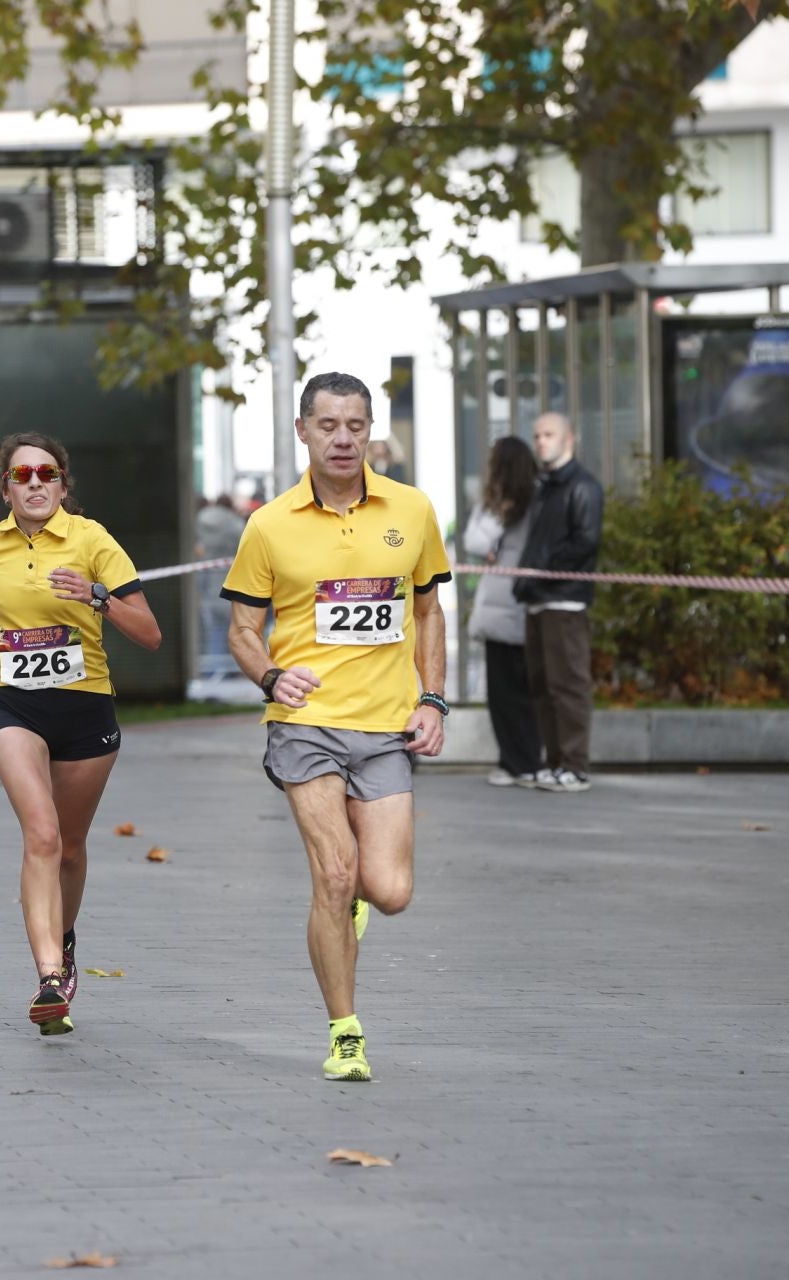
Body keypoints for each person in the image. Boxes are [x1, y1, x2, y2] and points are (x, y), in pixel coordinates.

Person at [219, 372, 451, 1083]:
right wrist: (270, 677)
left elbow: (428, 611)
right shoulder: (269, 524)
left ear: (370, 430)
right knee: (335, 871)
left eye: (355, 425)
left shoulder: (411, 510)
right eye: (328, 425)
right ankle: (345, 1033)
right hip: (305, 723)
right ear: (303, 431)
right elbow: (242, 629)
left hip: (385, 726)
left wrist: (433, 699)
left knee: (389, 890)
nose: (343, 438)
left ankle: (348, 907)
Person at [0, 433, 162, 1036]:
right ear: (5, 488)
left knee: (71, 848)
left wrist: (98, 596)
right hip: (10, 702)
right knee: (43, 834)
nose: (35, 483)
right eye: (22, 474)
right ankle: (50, 978)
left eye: (47, 473)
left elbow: (150, 634)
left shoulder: (93, 540)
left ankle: (65, 938)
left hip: (85, 707)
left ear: (63, 485)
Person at [515, 412, 604, 794]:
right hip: (539, 600)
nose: (540, 442)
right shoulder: (545, 486)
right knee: (543, 687)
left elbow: (585, 543)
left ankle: (574, 766)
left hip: (565, 602)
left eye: (548, 434)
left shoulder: (582, 486)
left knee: (568, 686)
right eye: (537, 435)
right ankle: (555, 763)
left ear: (570, 439)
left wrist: (538, 574)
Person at [462, 437, 544, 787]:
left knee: (505, 691)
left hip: (504, 604)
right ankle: (523, 761)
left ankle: (518, 763)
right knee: (524, 689)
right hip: (525, 603)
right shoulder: (539, 499)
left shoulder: (505, 505)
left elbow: (475, 541)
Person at [194, 494, 244, 668]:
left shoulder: (200, 522)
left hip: (207, 586)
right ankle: (230, 669)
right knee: (235, 632)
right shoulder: (236, 525)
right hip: (232, 586)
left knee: (213, 632)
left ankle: (212, 670)